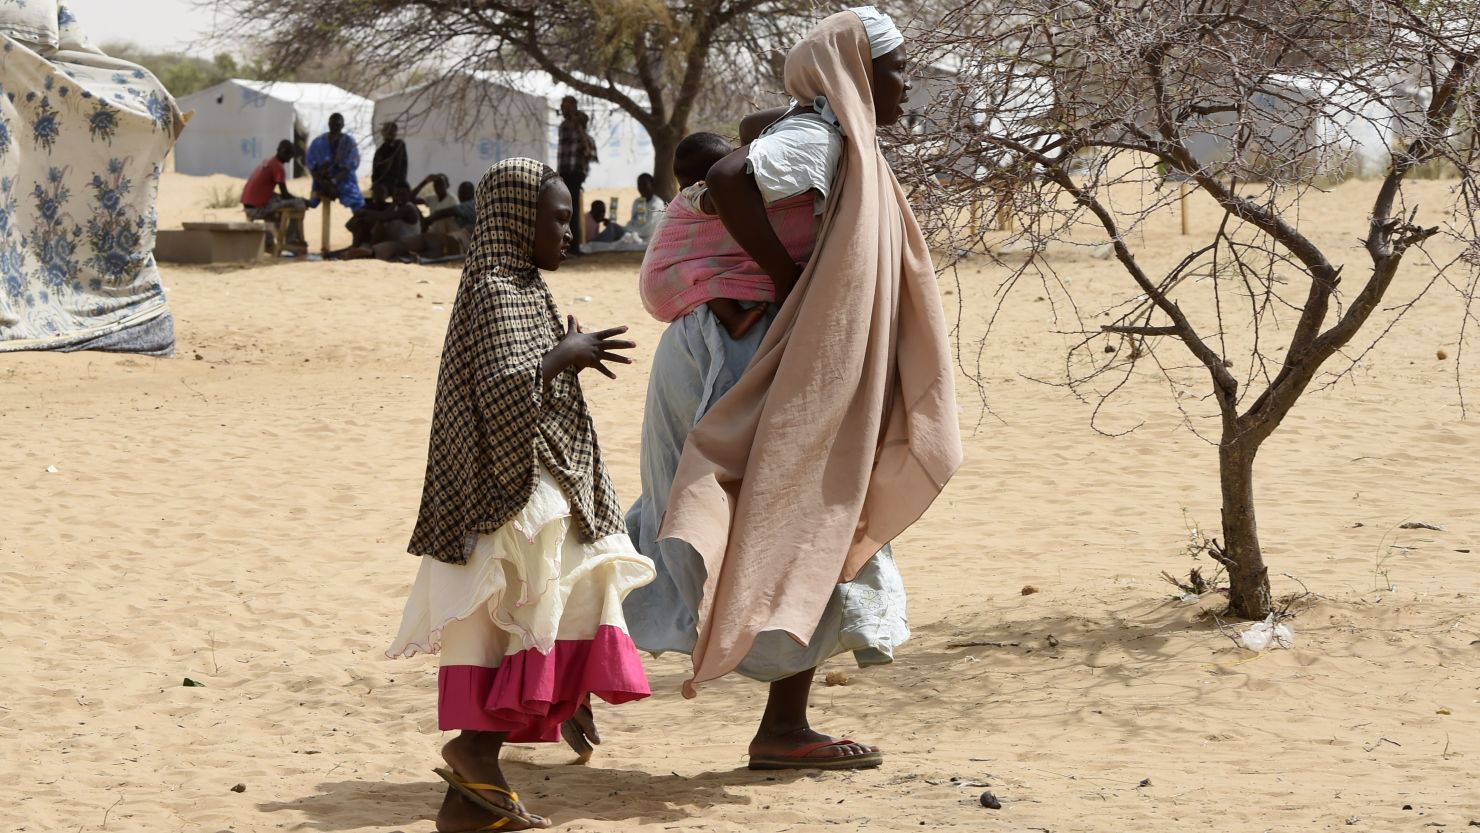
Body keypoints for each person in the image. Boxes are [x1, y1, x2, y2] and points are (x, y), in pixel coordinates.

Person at [620, 6, 962, 771]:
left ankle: (575, 666)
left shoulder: (830, 132)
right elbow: (732, 174)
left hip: (729, 342)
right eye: (896, 68)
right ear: (856, 71)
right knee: (817, 509)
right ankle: (781, 727)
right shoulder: (820, 138)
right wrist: (786, 277)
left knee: (710, 508)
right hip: (743, 350)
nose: (906, 85)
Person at [387, 158, 654, 832]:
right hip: (513, 494)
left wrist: (566, 348)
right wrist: (568, 353)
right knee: (542, 610)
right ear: (515, 219)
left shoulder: (519, 285)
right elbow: (509, 391)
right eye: (557, 218)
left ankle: (468, 796)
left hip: (524, 488)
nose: (568, 232)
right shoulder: (498, 290)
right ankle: (475, 752)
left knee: (518, 621)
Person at [638, 132, 816, 339]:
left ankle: (733, 318)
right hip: (667, 275)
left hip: (669, 279)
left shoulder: (692, 193)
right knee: (701, 278)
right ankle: (733, 319)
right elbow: (719, 197)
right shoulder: (698, 192)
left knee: (707, 280)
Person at [241, 139, 308, 253]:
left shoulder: (268, 161)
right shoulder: (278, 167)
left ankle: (269, 242)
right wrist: (302, 200)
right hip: (258, 208)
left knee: (277, 208)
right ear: (284, 152)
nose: (290, 159)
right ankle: (291, 239)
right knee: (298, 205)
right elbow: (285, 194)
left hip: (248, 205)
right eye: (289, 155)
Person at [557, 96, 598, 253]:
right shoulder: (564, 126)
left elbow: (582, 119)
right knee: (567, 209)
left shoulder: (576, 123)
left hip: (574, 172)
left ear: (573, 107)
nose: (562, 109)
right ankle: (570, 245)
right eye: (562, 105)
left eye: (565, 106)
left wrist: (574, 116)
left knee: (571, 210)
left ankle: (574, 246)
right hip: (565, 171)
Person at [340, 184, 424, 259]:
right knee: (369, 224)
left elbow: (384, 217)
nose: (399, 197)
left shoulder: (407, 208)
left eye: (403, 195)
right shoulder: (394, 206)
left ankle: (367, 250)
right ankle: (360, 248)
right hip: (394, 240)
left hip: (405, 244)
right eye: (397, 195)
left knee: (382, 241)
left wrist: (366, 212)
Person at [306, 113, 365, 211]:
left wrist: (334, 181)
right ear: (329, 124)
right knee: (312, 201)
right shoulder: (318, 142)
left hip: (345, 181)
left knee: (358, 204)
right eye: (332, 124)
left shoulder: (349, 142)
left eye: (337, 124)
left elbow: (349, 167)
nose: (335, 127)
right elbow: (311, 165)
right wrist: (323, 181)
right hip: (322, 181)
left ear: (342, 125)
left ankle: (360, 221)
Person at [625, 173, 667, 243]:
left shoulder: (657, 203)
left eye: (644, 185)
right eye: (639, 185)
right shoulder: (638, 202)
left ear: (652, 185)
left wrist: (628, 229)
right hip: (636, 238)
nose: (641, 188)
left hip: (652, 241)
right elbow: (633, 221)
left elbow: (647, 229)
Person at [372, 121, 410, 193]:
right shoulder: (379, 152)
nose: (390, 133)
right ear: (383, 133)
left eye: (392, 131)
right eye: (387, 130)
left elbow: (402, 166)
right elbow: (376, 172)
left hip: (397, 183)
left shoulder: (399, 145)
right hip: (384, 185)